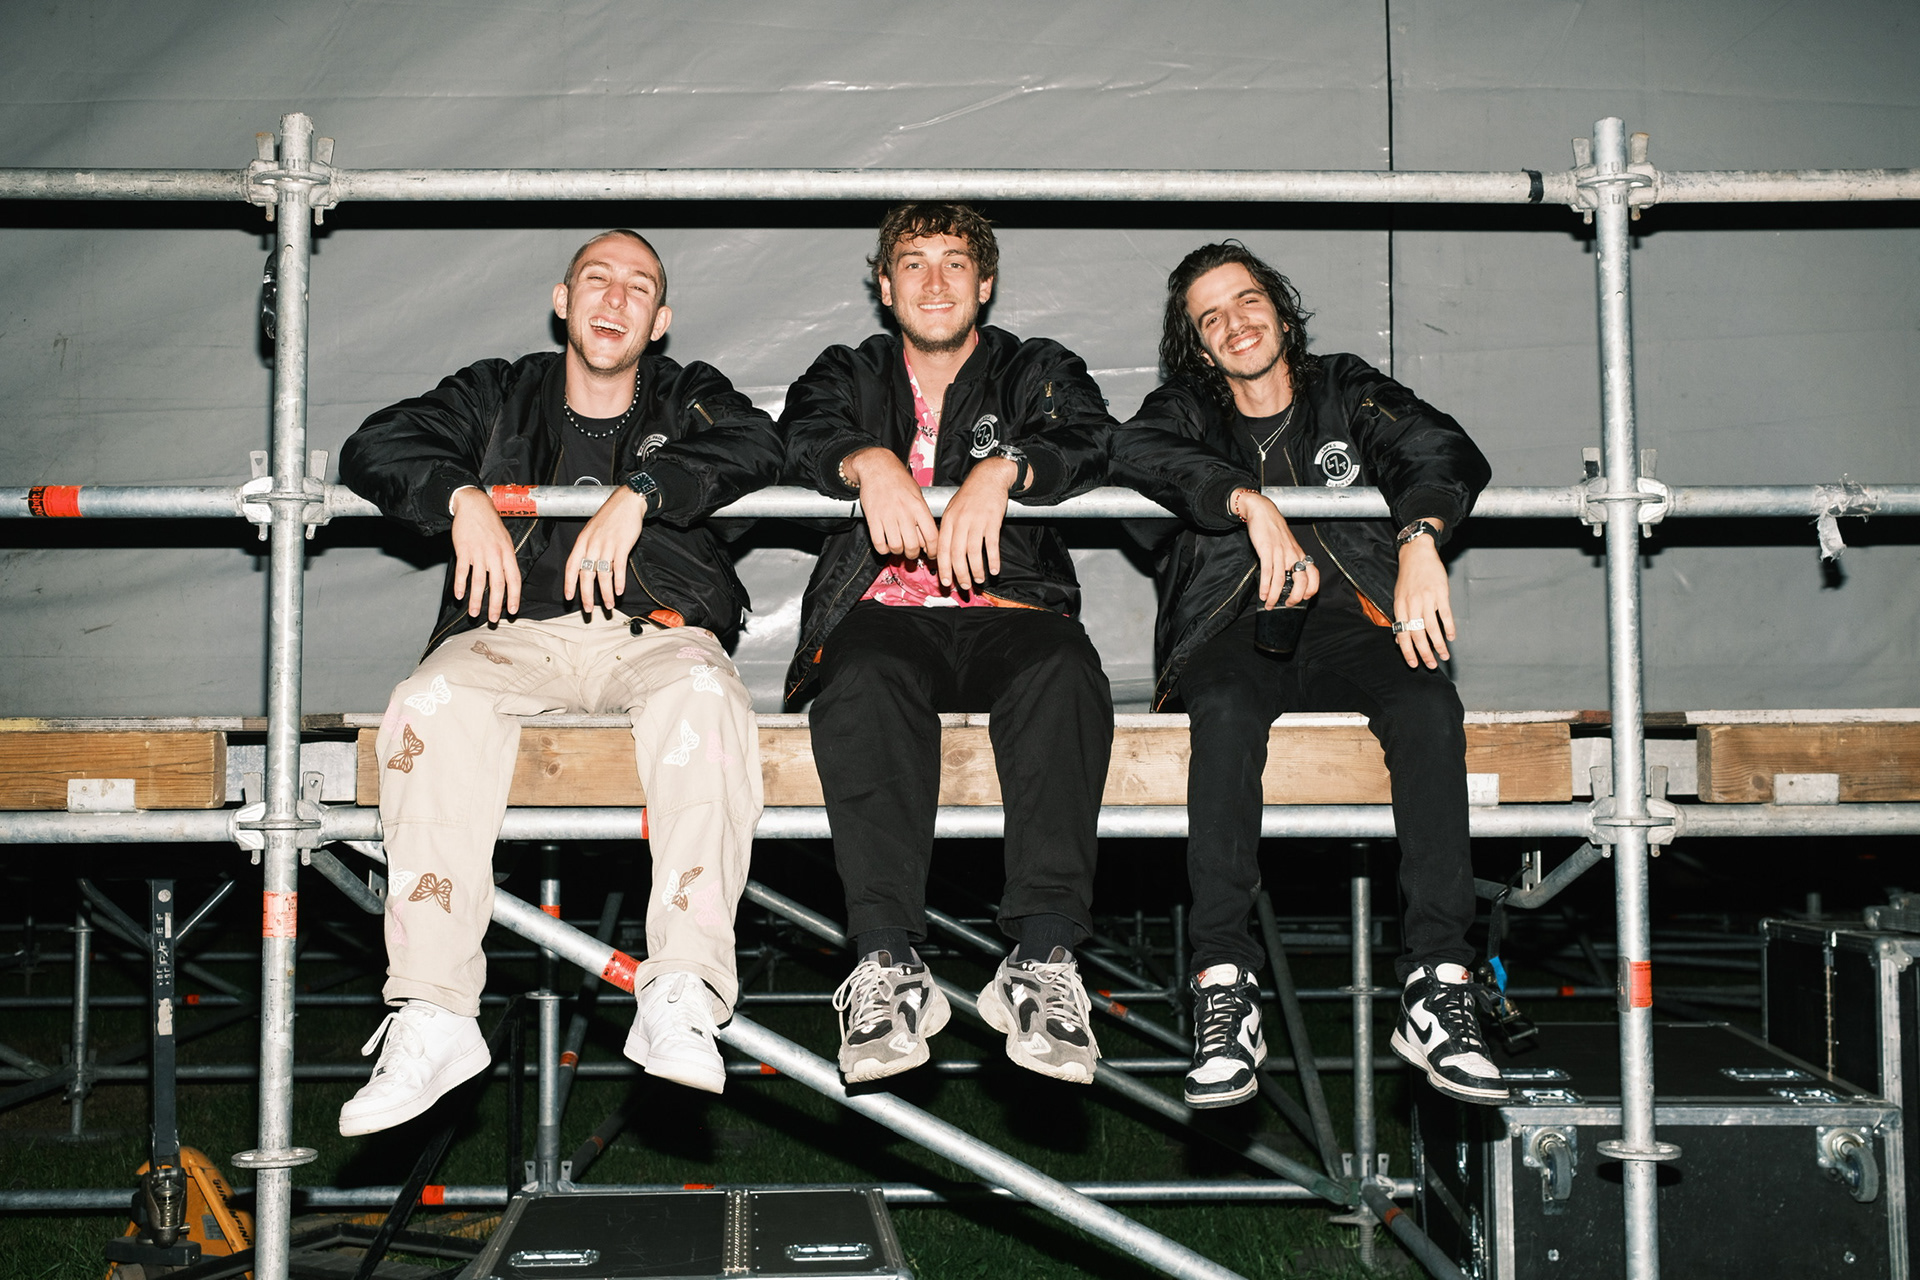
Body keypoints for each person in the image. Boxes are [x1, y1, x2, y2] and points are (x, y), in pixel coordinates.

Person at [334, 230, 780, 1135]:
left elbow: (758, 444)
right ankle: (433, 1010)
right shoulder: (500, 392)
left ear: (661, 319)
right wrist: (461, 497)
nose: (615, 299)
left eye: (638, 288)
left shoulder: (688, 395)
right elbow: (377, 443)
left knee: (705, 699)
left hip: (653, 631)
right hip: (510, 635)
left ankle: (684, 988)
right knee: (425, 705)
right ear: (562, 300)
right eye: (596, 280)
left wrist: (642, 492)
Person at [1113, 241, 1502, 1108]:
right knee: (1222, 709)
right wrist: (1246, 502)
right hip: (1233, 625)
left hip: (1352, 620)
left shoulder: (1344, 388)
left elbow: (1440, 448)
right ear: (1197, 346)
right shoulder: (1186, 410)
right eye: (1210, 318)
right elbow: (1133, 451)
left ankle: (1440, 983)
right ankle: (1224, 986)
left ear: (1282, 313)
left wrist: (1420, 538)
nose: (1235, 324)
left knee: (1427, 704)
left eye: (1247, 301)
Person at [779, 203, 1129, 1085]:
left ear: (986, 282)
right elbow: (798, 433)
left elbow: (1092, 435)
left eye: (955, 263)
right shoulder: (850, 370)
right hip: (886, 613)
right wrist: (869, 460)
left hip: (1010, 606)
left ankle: (1043, 960)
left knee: (1065, 669)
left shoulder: (1033, 367)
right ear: (884, 284)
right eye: (913, 263)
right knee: (861, 674)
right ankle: (887, 964)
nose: (934, 281)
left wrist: (1002, 468)